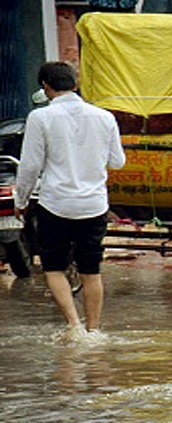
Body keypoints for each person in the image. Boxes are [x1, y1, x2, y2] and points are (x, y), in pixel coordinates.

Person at [15, 61, 125, 339]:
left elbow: (30, 166)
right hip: (94, 205)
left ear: (46, 87)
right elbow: (118, 161)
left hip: (57, 204)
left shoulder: (40, 118)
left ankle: (74, 327)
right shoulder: (104, 117)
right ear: (75, 84)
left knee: (54, 268)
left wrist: (21, 199)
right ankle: (94, 331)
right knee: (91, 270)